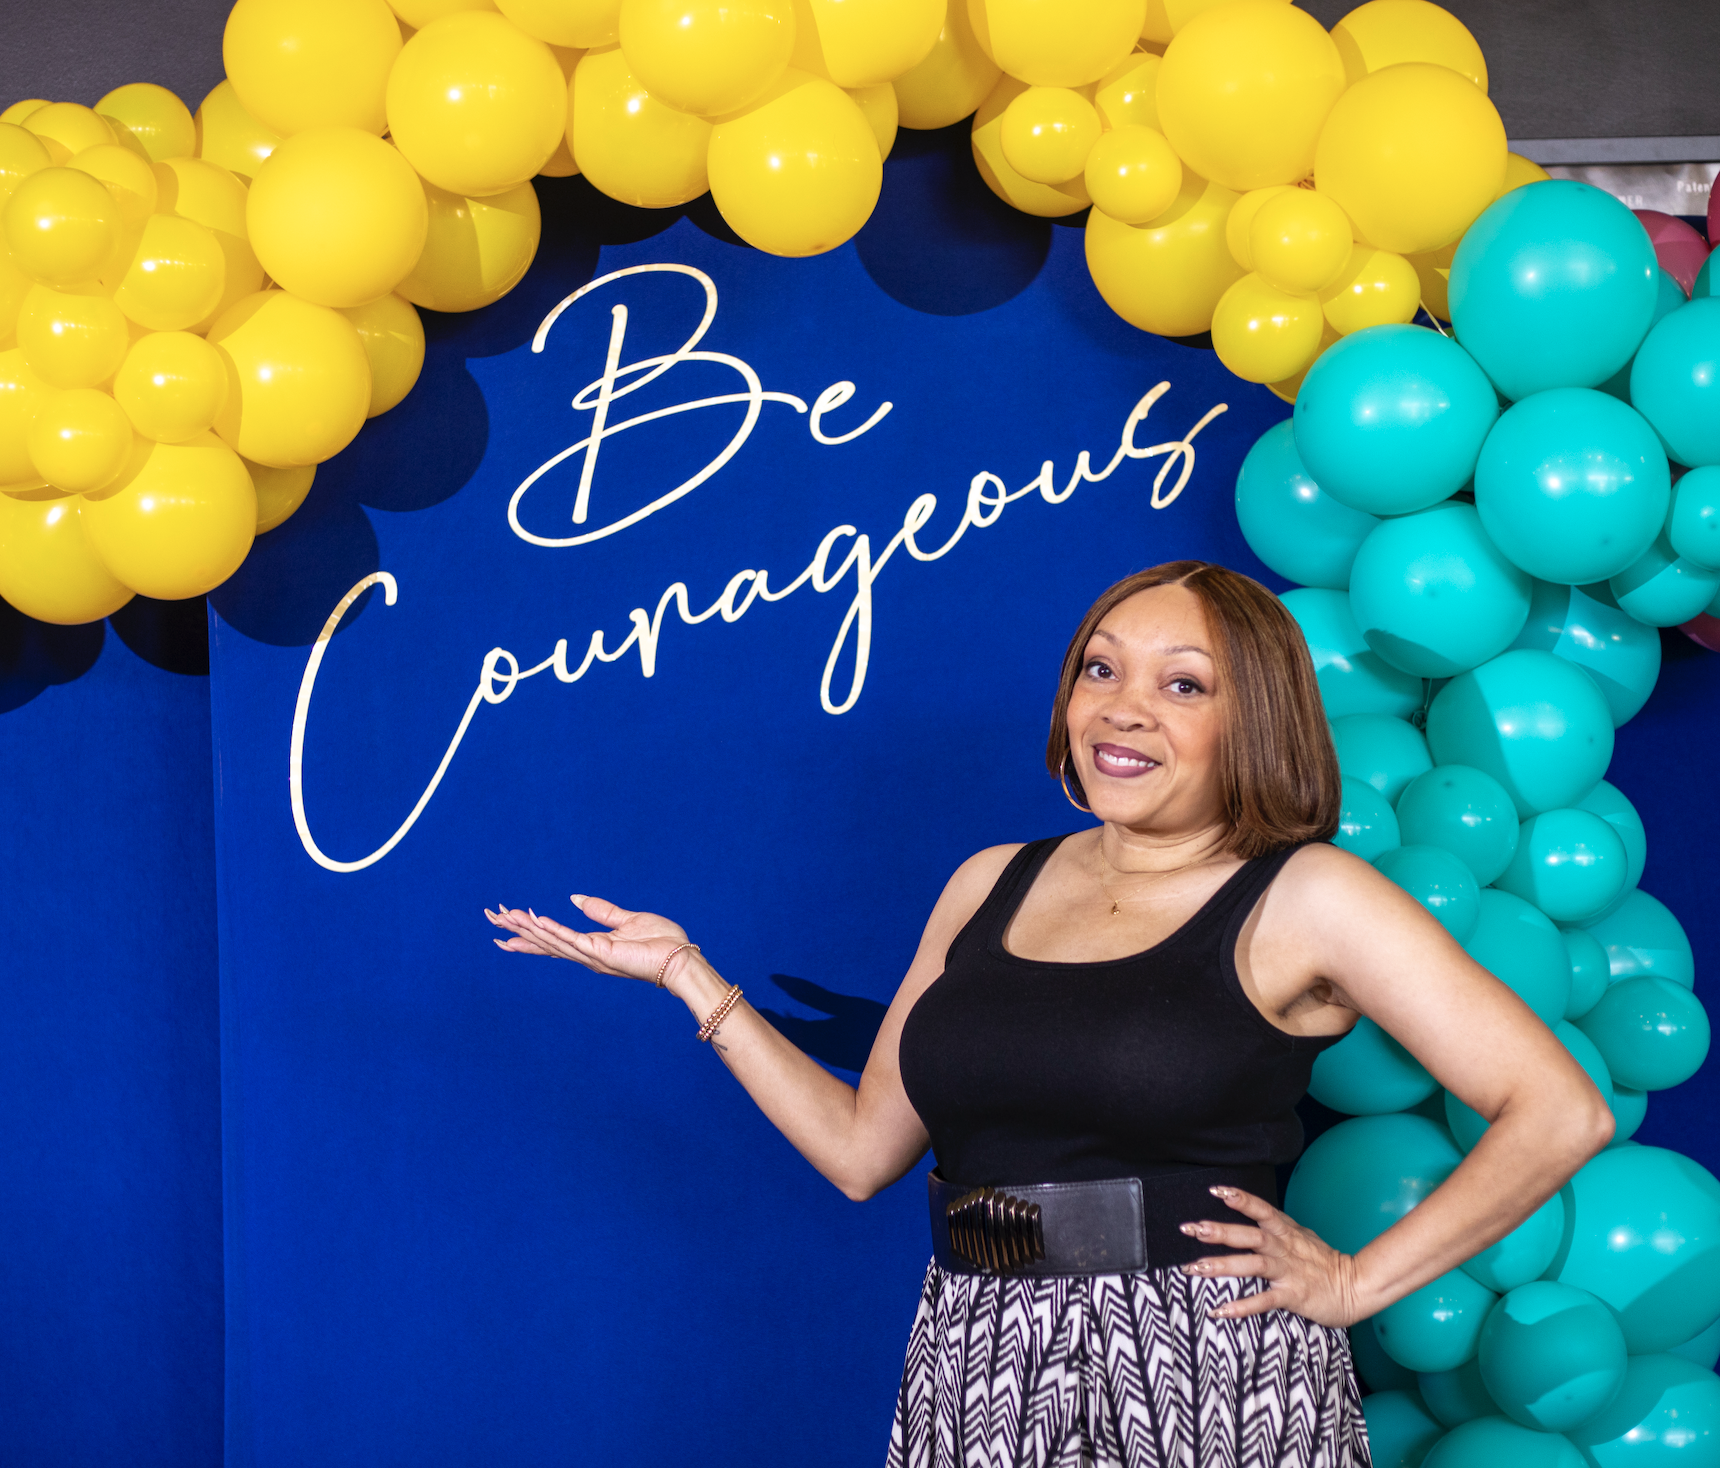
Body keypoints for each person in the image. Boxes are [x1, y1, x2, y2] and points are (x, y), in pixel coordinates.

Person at [486, 560, 1613, 1468]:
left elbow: (1557, 1108)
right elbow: (859, 1153)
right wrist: (690, 974)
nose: (1123, 709)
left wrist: (1358, 1283)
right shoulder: (988, 881)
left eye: (1184, 684)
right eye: (1099, 670)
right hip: (974, 1347)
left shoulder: (1307, 894)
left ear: (1253, 718)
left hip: (1205, 1363)